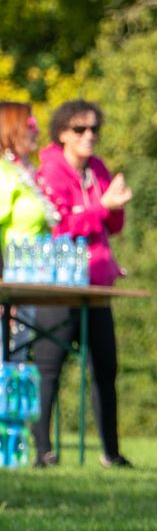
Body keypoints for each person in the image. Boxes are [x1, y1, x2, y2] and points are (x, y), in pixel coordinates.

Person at [33, 99, 133, 468]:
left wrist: (116, 205)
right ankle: (43, 450)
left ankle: (111, 452)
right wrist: (102, 207)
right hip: (60, 287)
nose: (89, 136)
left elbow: (113, 226)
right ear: (62, 134)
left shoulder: (99, 170)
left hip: (97, 287)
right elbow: (59, 229)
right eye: (80, 129)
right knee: (49, 369)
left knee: (106, 371)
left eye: (94, 129)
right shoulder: (49, 173)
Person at [0, 102, 60, 362]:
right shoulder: (3, 173)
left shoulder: (28, 173)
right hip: (10, 284)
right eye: (30, 125)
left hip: (32, 283)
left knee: (19, 363)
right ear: (11, 129)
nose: (37, 131)